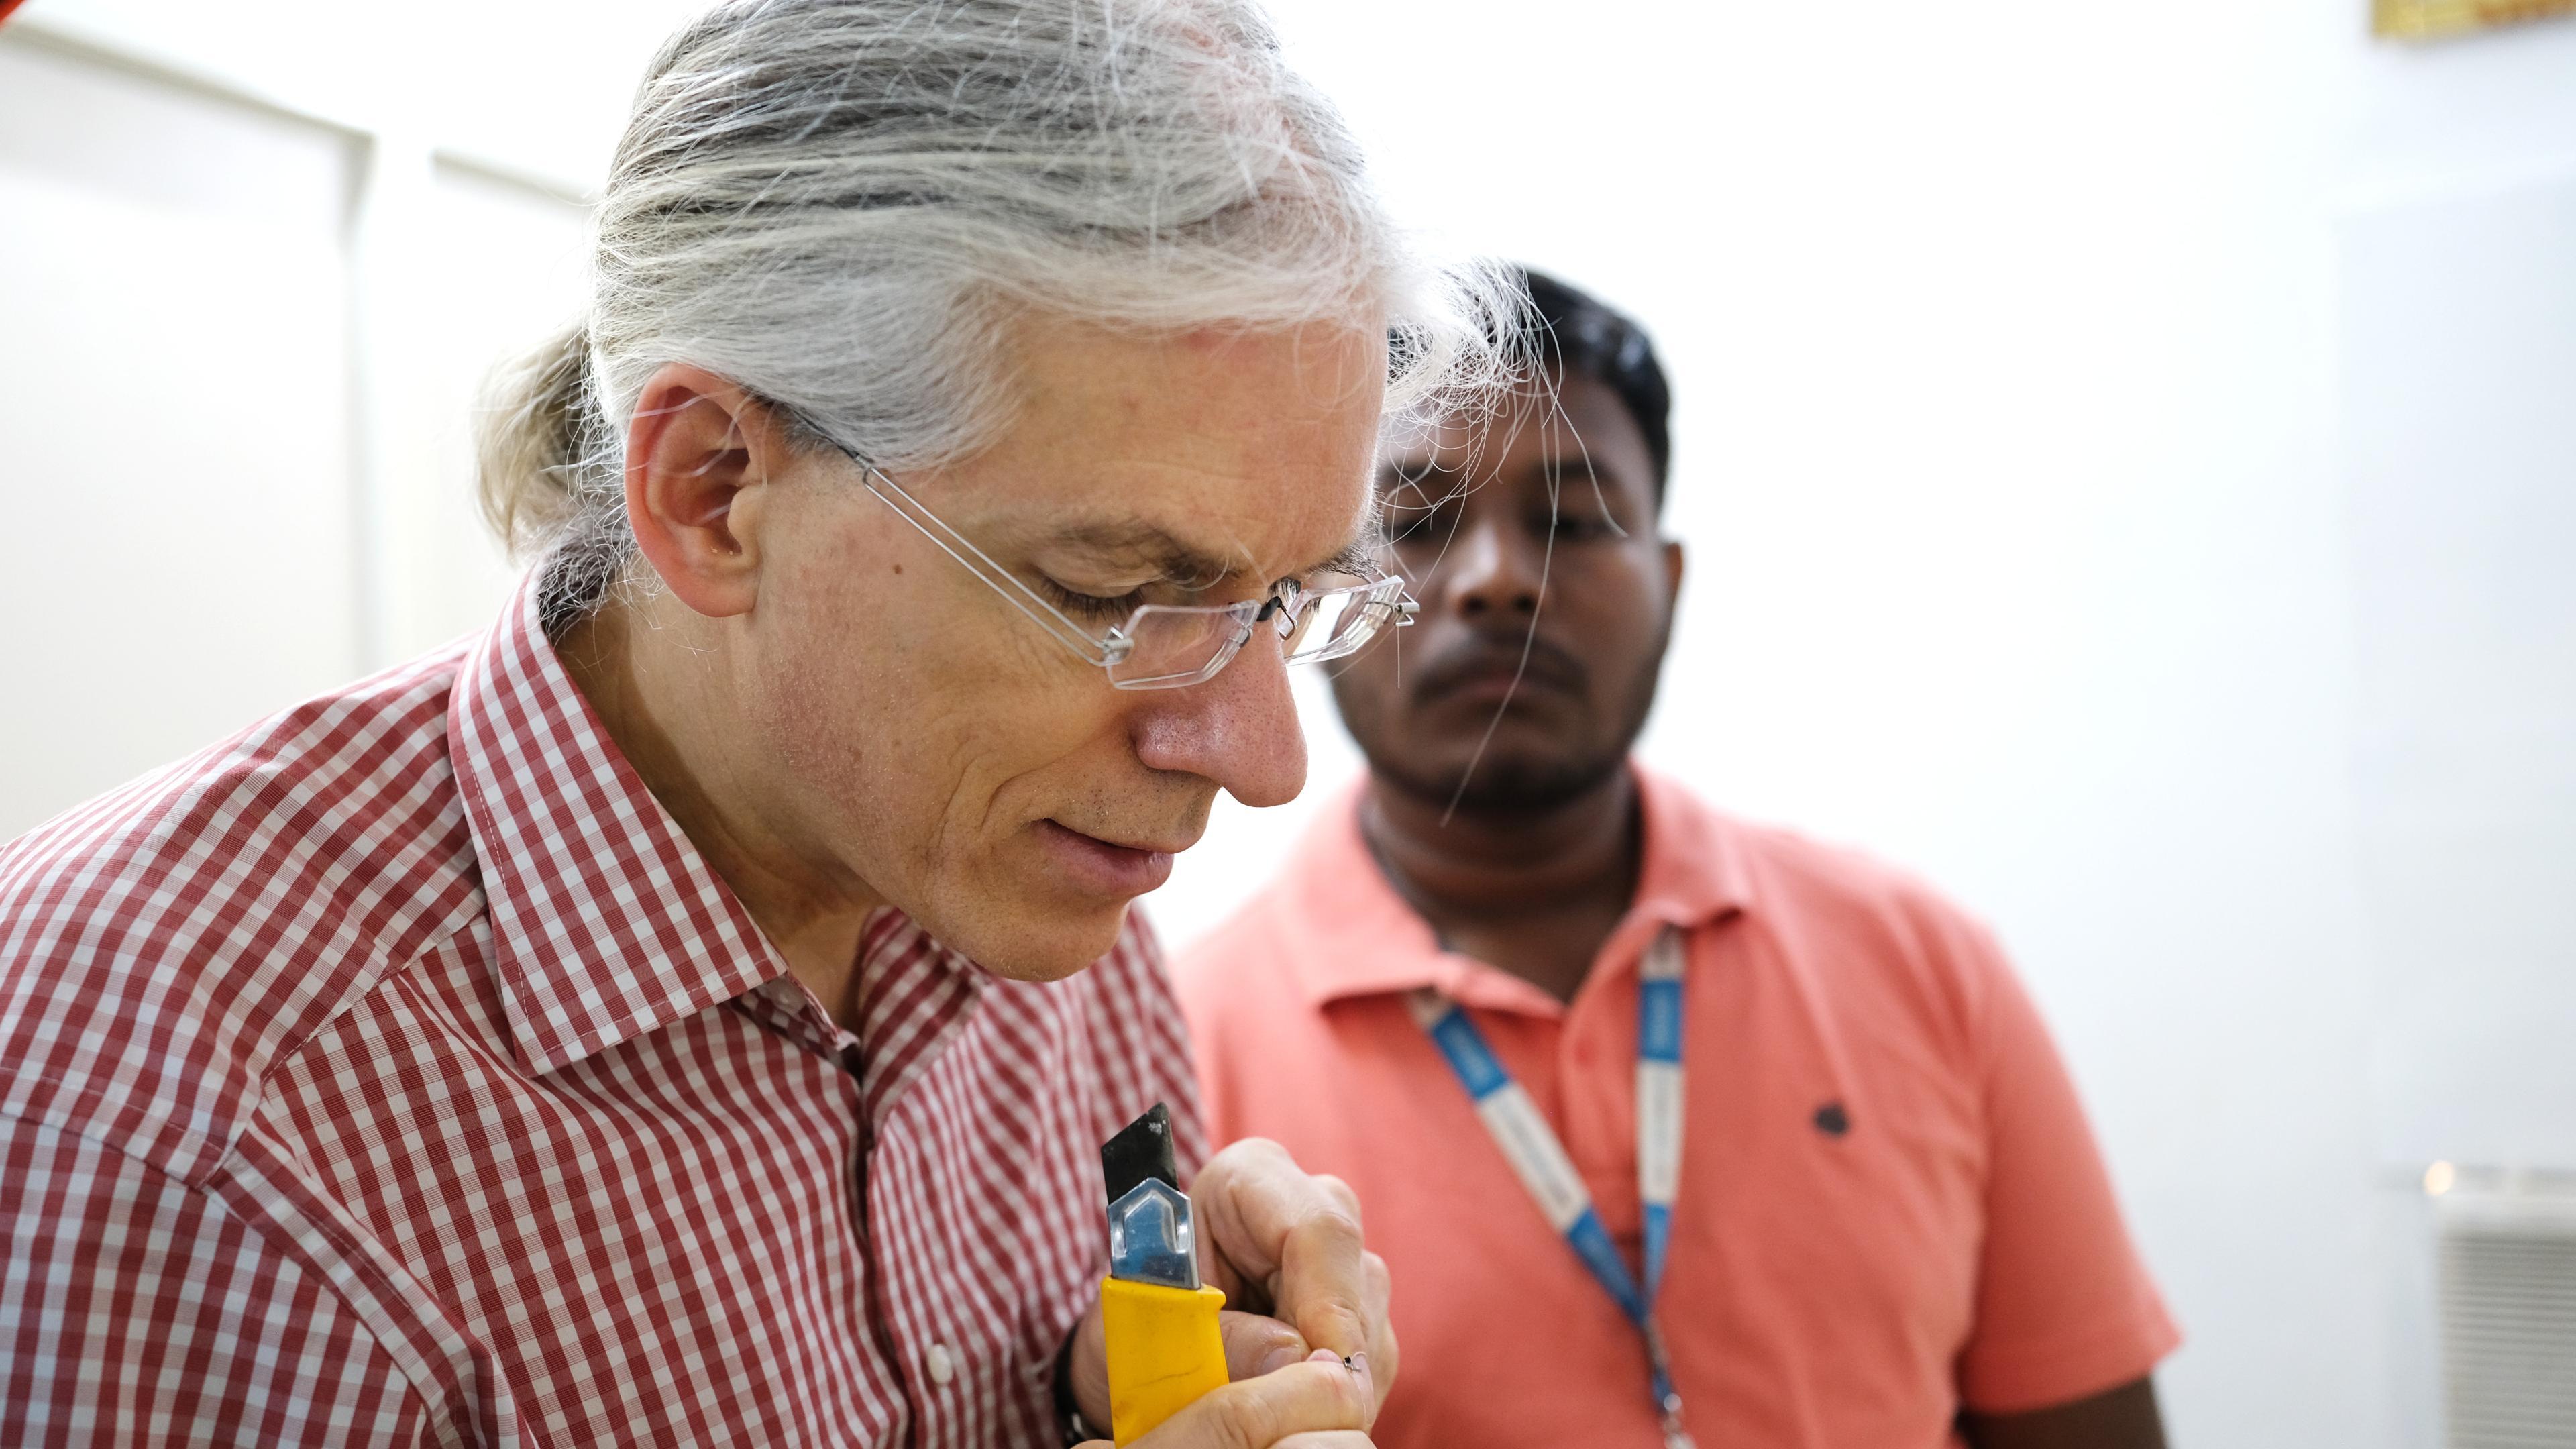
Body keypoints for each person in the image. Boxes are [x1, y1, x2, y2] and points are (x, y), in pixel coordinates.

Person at [0, 3, 1514, 1442]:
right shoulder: (186, 1107)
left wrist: (1095, 1398)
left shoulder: (1043, 895)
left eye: (1286, 603)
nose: (1262, 760)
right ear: (712, 491)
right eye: (1122, 593)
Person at [1177, 270, 2182, 1449]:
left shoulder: (1924, 966)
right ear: (1315, 596)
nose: (1499, 577)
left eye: (1575, 518)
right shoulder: (1187, 1052)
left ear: (1670, 584)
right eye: (1419, 520)